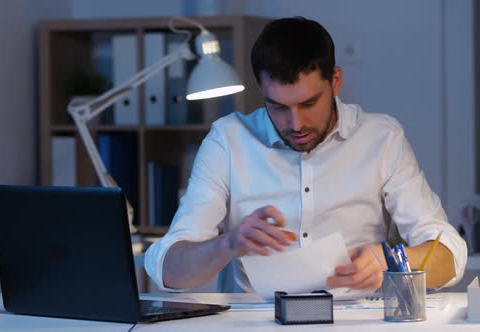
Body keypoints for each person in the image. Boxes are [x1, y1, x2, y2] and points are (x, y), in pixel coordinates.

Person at [144, 17, 467, 293]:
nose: (296, 124)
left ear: (336, 81)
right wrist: (228, 244)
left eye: (309, 103)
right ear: (261, 90)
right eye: (279, 107)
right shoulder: (227, 141)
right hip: (254, 322)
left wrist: (389, 260)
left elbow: (450, 255)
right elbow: (168, 271)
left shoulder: (382, 138)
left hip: (356, 319)